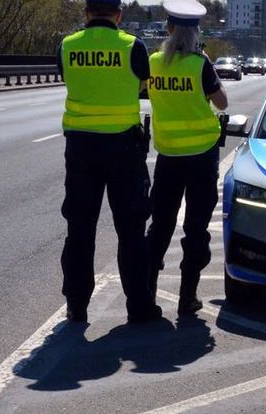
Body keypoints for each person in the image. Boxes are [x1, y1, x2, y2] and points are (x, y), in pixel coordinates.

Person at [57, 0, 161, 324]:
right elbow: (143, 85)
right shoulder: (133, 46)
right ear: (119, 14)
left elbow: (67, 78)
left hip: (80, 147)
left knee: (80, 229)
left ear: (86, 13)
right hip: (123, 148)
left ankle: (76, 306)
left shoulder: (68, 46)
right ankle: (139, 306)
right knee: (131, 230)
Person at [145, 0, 229, 315]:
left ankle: (147, 294)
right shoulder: (200, 64)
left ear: (168, 29)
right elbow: (222, 103)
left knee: (160, 225)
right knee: (195, 226)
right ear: (196, 32)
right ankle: (187, 298)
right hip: (201, 157)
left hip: (168, 155)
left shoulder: (154, 62)